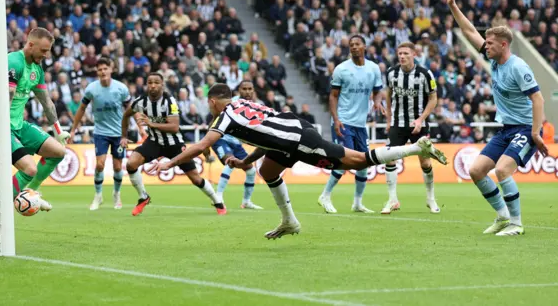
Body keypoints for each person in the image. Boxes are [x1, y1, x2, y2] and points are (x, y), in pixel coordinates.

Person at [148, 84, 447, 239]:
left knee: (355, 161)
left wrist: (169, 162)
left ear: (214, 102)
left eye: (209, 103)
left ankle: (414, 149)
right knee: (268, 170)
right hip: (290, 133)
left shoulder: (224, 115)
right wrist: (243, 163)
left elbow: (201, 145)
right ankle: (289, 221)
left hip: (297, 139)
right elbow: (266, 138)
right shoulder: (242, 103)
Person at [448, 0, 548, 236]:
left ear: (503, 45)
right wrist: (453, 7)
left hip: (525, 129)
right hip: (506, 129)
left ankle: (517, 224)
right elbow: (471, 33)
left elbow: (538, 99)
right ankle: (503, 216)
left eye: (490, 43)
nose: (485, 45)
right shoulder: (494, 59)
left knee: (502, 170)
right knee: (476, 170)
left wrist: (536, 134)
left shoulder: (518, 67)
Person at [0, 28, 70, 237]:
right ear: (30, 45)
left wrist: (58, 131)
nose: (46, 55)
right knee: (29, 168)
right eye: (44, 50)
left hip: (18, 124)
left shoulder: (36, 69)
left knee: (58, 152)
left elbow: (46, 102)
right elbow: (8, 95)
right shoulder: (14, 61)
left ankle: (32, 192)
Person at [121, 73, 226, 216]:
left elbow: (175, 127)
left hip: (175, 144)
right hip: (154, 142)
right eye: (150, 82)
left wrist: (151, 123)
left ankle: (218, 202)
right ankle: (143, 197)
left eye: (156, 82)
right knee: (131, 164)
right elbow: (126, 115)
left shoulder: (169, 101)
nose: (153, 85)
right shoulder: (140, 101)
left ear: (162, 85)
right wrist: (124, 136)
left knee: (195, 178)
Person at [318, 35, 384, 214]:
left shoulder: (373, 69)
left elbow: (378, 91)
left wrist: (377, 102)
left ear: (364, 46)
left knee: (364, 163)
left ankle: (357, 203)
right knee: (345, 161)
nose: (354, 47)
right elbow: (332, 96)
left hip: (360, 125)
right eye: (351, 45)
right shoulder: (342, 69)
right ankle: (325, 195)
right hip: (343, 122)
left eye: (357, 44)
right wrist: (336, 120)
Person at [382, 42, 440, 214]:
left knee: (425, 161)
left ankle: (431, 198)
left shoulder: (425, 74)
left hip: (419, 124)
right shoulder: (391, 73)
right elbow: (388, 94)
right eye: (400, 53)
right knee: (389, 158)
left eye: (406, 53)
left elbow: (433, 98)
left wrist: (421, 119)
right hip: (398, 123)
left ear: (414, 54)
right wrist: (389, 119)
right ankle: (392, 200)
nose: (402, 56)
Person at [69, 57, 132, 211]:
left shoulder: (121, 88)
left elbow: (131, 109)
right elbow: (82, 109)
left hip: (118, 133)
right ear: (97, 72)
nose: (103, 72)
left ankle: (116, 194)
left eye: (105, 68)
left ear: (111, 69)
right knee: (100, 164)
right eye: (100, 69)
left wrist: (138, 128)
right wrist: (73, 129)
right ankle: (98, 195)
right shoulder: (91, 89)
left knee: (118, 167)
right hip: (101, 132)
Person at [208, 80, 262, 209]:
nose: (247, 92)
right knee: (230, 162)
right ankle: (218, 196)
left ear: (254, 90)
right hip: (221, 138)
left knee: (251, 171)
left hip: (236, 142)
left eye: (250, 89)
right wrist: (210, 136)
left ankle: (246, 202)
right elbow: (215, 118)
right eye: (244, 89)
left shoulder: (255, 105)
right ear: (239, 90)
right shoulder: (231, 102)